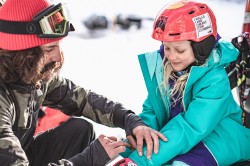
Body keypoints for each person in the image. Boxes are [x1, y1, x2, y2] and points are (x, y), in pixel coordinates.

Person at [0, 0, 167, 166]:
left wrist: (128, 119)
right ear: (23, 52)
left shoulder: (30, 74)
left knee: (79, 130)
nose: (58, 57)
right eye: (50, 49)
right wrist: (89, 159)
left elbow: (82, 99)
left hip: (21, 154)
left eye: (58, 46)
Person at [120, 0, 250, 165]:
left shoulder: (215, 81)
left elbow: (190, 127)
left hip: (217, 141)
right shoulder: (166, 71)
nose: (171, 56)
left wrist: (139, 161)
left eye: (179, 50)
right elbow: (152, 112)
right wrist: (134, 142)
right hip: (178, 139)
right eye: (167, 48)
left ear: (202, 47)